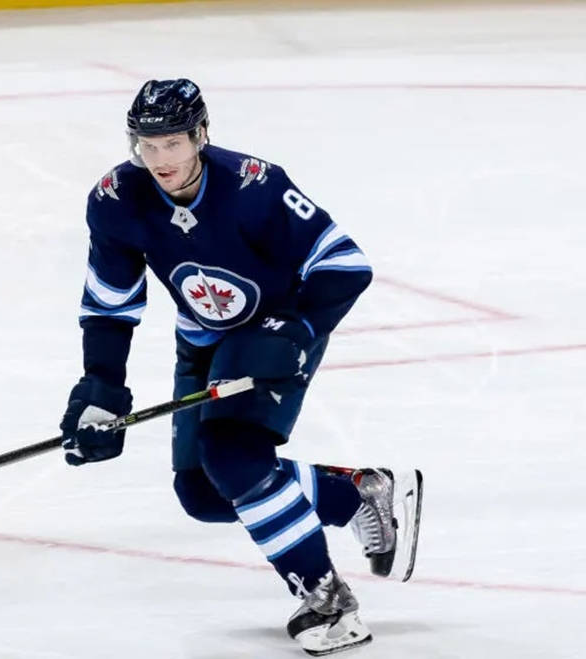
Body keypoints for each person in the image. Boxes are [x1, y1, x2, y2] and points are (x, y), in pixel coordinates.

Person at [59, 78, 423, 656]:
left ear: (201, 136)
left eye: (173, 144)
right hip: (203, 337)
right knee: (204, 493)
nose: (160, 161)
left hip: (277, 327)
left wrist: (297, 329)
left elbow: (344, 265)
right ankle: (357, 494)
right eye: (147, 147)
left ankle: (327, 600)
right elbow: (109, 303)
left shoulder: (255, 186)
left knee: (232, 453)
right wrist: (102, 386)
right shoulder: (117, 200)